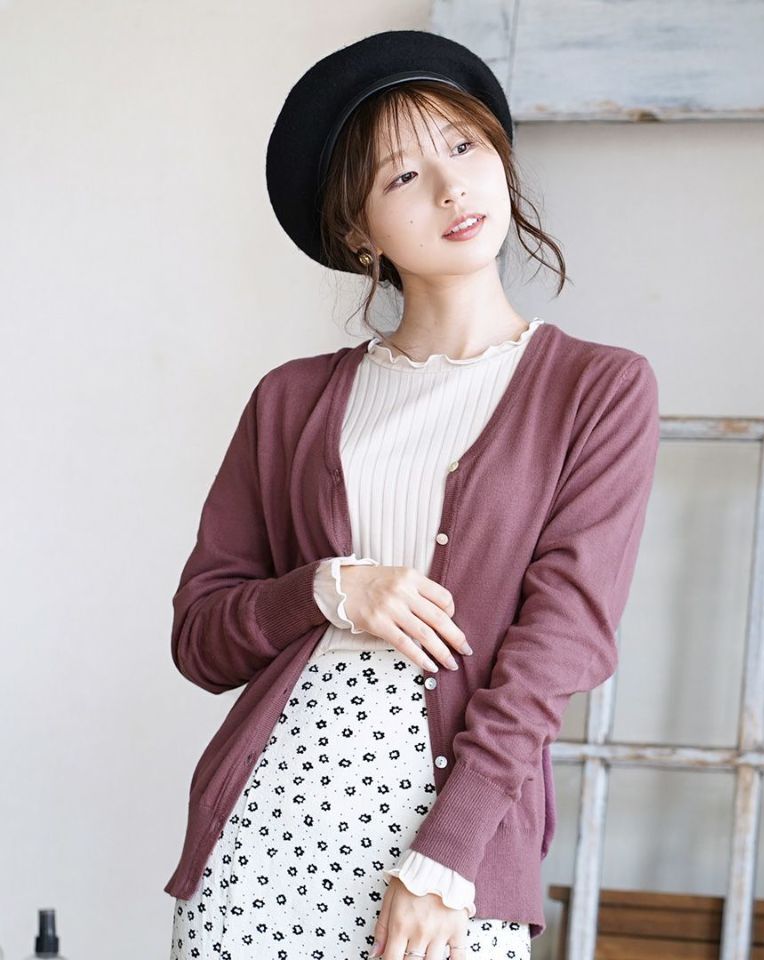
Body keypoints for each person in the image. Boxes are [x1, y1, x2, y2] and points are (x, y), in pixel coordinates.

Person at [167, 28, 660, 960]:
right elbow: (200, 640)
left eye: (464, 147)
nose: (450, 188)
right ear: (359, 233)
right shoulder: (290, 400)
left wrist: (447, 858)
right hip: (266, 835)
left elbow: (564, 640)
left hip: (452, 854)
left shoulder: (598, 388)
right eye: (402, 176)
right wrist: (329, 588)